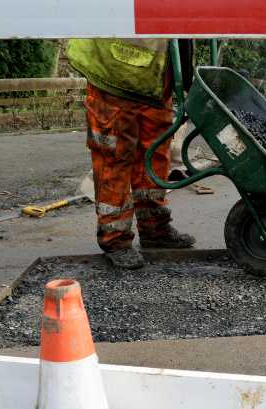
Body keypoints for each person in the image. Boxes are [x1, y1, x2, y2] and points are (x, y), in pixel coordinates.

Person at [67, 39, 196, 269]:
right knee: (114, 155)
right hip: (114, 73)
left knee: (155, 153)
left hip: (154, 77)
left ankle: (154, 229)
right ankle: (115, 238)